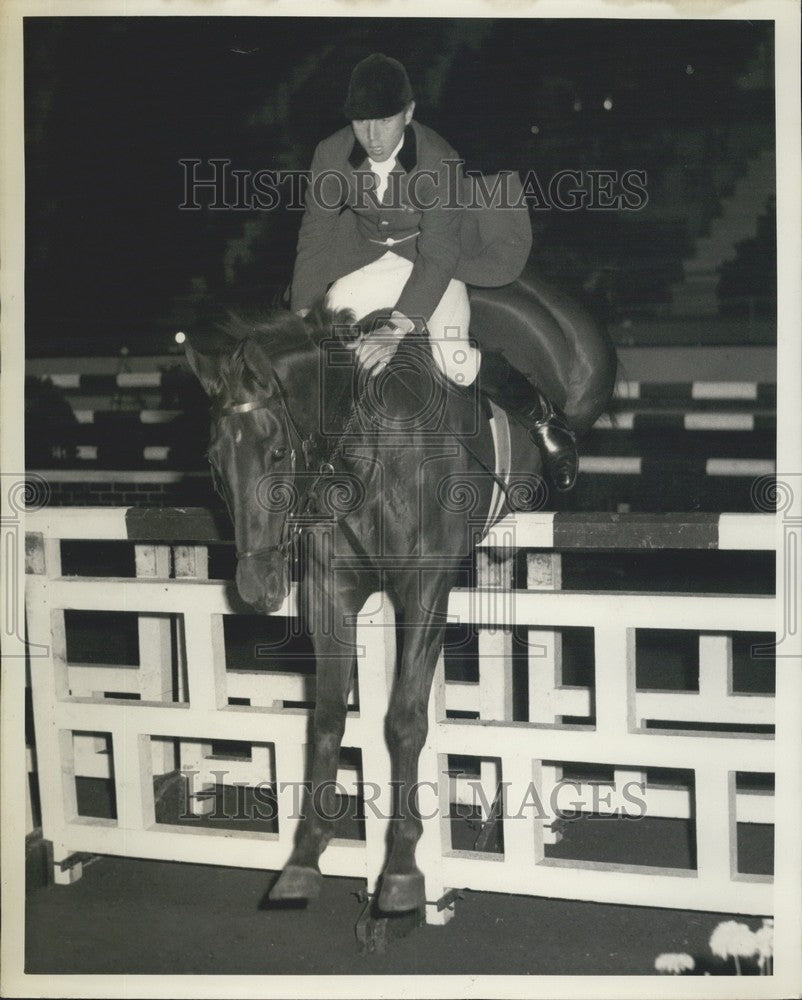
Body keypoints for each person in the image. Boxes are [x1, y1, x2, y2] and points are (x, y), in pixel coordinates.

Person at [290, 53, 578, 491]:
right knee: (325, 355)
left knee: (454, 360)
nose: (372, 136)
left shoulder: (439, 158)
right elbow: (315, 237)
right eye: (360, 122)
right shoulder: (329, 153)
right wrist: (302, 317)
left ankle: (543, 418)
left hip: (432, 261)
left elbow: (439, 254)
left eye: (384, 121)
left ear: (408, 112)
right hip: (365, 259)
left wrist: (395, 329)